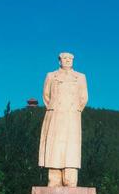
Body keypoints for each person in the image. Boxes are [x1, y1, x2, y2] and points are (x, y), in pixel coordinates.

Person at [38, 52, 88, 187]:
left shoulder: (80, 77)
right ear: (59, 61)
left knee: (71, 149)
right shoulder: (51, 76)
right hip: (55, 116)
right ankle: (54, 179)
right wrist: (56, 109)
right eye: (64, 58)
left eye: (70, 58)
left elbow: (83, 98)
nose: (67, 60)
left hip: (72, 118)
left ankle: (70, 178)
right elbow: (46, 96)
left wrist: (73, 110)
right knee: (54, 148)